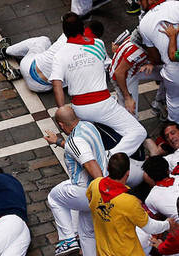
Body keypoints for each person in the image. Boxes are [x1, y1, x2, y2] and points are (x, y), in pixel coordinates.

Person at [50, 12, 147, 158]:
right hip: (103, 105)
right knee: (138, 132)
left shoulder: (59, 55)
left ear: (64, 32)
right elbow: (107, 66)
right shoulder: (98, 44)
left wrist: (62, 111)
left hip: (80, 109)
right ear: (83, 28)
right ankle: (110, 156)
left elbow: (57, 85)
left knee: (85, 140)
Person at [44, 106, 106, 256]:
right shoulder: (88, 126)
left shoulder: (75, 141)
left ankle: (68, 238)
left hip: (88, 191)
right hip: (94, 191)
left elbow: (90, 163)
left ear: (62, 125)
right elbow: (78, 148)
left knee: (54, 197)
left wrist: (103, 190)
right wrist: (58, 142)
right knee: (86, 232)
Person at [110, 28, 166, 120]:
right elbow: (119, 73)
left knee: (168, 75)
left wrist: (150, 63)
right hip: (124, 76)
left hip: (135, 67)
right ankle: (121, 103)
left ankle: (159, 101)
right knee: (131, 115)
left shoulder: (143, 35)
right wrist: (127, 97)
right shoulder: (137, 52)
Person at [138, 0, 179, 124]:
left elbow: (166, 57)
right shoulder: (176, 4)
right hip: (172, 65)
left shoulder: (144, 23)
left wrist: (172, 38)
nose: (140, 4)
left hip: (173, 71)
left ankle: (173, 127)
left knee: (174, 101)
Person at [141, 156, 179, 256]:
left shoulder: (151, 198)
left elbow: (156, 224)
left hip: (176, 237)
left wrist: (159, 245)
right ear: (168, 170)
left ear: (149, 177)